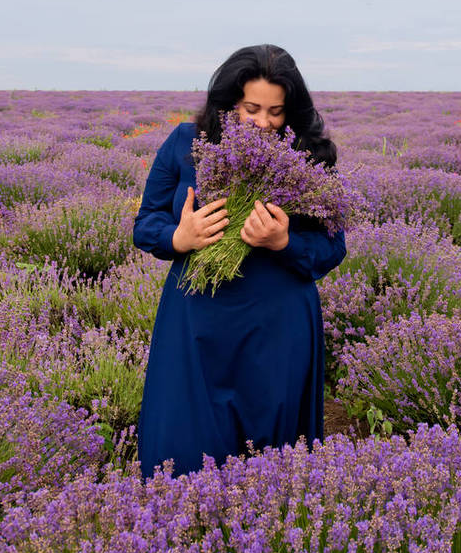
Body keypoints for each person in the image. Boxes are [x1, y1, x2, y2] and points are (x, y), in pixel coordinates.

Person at [133, 44, 346, 479]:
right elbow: (145, 224)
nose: (263, 123)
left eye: (276, 112)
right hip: (197, 321)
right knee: (183, 448)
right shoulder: (185, 143)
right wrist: (179, 237)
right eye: (251, 108)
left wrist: (284, 241)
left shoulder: (308, 154)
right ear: (229, 102)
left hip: (277, 325)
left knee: (275, 463)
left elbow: (332, 248)